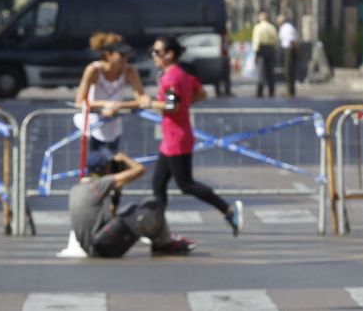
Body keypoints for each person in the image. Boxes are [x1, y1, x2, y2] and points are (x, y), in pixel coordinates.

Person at [149, 35, 244, 235]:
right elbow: (200, 93)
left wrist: (148, 103)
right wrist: (184, 105)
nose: (153, 56)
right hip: (172, 137)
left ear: (170, 54)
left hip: (176, 137)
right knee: (158, 183)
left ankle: (227, 210)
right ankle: (158, 230)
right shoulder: (182, 74)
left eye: (157, 52)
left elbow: (172, 106)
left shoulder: (171, 77)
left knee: (186, 184)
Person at [68, 151, 195, 256]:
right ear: (104, 168)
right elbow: (139, 170)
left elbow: (109, 217)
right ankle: (164, 243)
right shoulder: (99, 184)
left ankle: (161, 241)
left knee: (130, 209)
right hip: (104, 245)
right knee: (153, 204)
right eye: (109, 165)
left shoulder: (78, 188)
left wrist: (116, 195)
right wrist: (124, 157)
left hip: (93, 247)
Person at [74, 33, 146, 171]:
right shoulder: (94, 70)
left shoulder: (130, 71)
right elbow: (79, 101)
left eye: (127, 55)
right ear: (108, 54)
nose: (125, 59)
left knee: (112, 168)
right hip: (92, 127)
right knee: (96, 167)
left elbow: (142, 99)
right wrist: (105, 105)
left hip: (113, 127)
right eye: (121, 55)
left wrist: (119, 106)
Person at [250, 10, 278, 98]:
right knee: (270, 71)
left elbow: (256, 40)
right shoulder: (272, 27)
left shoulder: (258, 27)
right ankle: (271, 91)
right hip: (270, 50)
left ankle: (260, 91)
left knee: (261, 72)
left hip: (261, 50)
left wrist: (255, 52)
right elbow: (275, 40)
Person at [278, 12, 300, 98]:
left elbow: (292, 40)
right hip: (288, 50)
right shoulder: (285, 27)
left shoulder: (286, 28)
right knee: (288, 71)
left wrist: (295, 51)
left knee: (289, 71)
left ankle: (290, 91)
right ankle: (289, 90)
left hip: (289, 50)